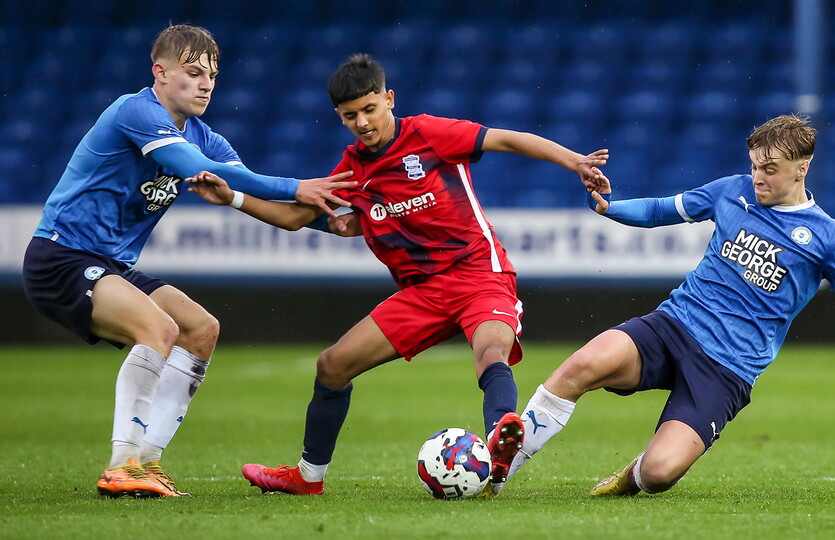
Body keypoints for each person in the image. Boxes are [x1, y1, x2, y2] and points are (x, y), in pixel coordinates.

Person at [185, 53, 608, 495]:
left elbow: (509, 140)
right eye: (350, 116)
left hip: (479, 273)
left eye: (369, 109)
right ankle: (308, 478)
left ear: (389, 98)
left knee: (491, 352)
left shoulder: (429, 134)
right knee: (332, 366)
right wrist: (233, 198)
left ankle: (500, 442)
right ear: (339, 117)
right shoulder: (352, 171)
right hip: (422, 294)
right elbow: (296, 217)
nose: (363, 122)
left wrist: (574, 161)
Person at [491, 114, 835, 498]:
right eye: (754, 166)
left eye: (770, 168)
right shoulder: (733, 191)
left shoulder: (828, 238)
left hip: (728, 370)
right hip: (673, 326)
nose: (759, 177)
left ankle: (634, 473)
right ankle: (499, 469)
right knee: (578, 367)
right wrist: (609, 208)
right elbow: (657, 211)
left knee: (660, 474)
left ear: (802, 168)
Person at [21, 24, 355, 498]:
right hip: (62, 255)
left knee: (201, 329)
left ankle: (149, 461)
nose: (205, 85)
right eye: (193, 72)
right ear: (159, 72)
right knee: (159, 329)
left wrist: (345, 219)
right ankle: (122, 464)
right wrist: (297, 185)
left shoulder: (204, 138)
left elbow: (265, 202)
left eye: (212, 77)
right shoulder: (135, 110)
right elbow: (216, 173)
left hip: (110, 264)